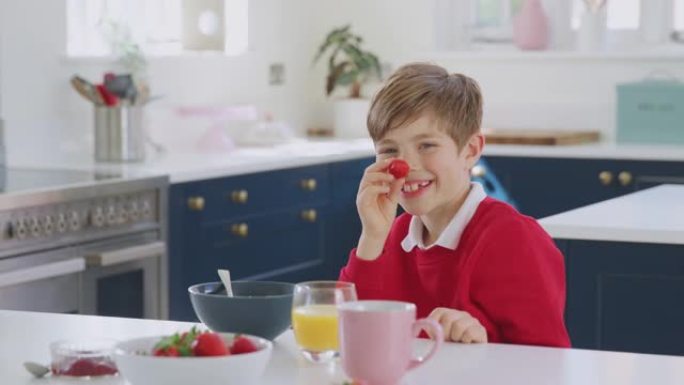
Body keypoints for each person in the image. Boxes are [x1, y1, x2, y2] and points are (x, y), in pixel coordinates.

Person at [339, 62, 570, 347]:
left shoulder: (514, 239)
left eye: (426, 145)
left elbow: (548, 363)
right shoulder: (393, 235)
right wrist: (372, 236)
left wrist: (484, 344)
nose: (405, 166)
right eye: (389, 150)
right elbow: (354, 335)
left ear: (470, 151)